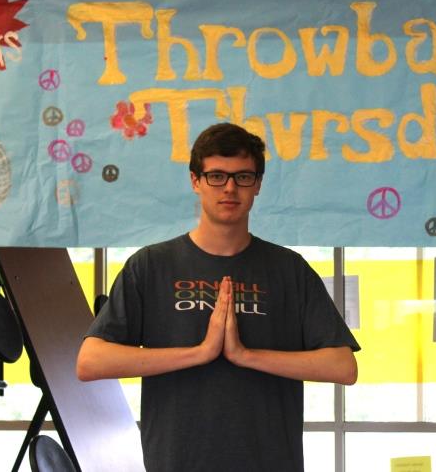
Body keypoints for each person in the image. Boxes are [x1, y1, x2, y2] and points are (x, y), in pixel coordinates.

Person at [76, 123, 360, 472]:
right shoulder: (151, 266)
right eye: (216, 176)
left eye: (242, 177)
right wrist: (199, 353)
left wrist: (246, 355)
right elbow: (91, 361)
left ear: (257, 185)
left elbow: (343, 366)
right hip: (178, 461)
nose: (229, 188)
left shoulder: (289, 270)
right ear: (195, 181)